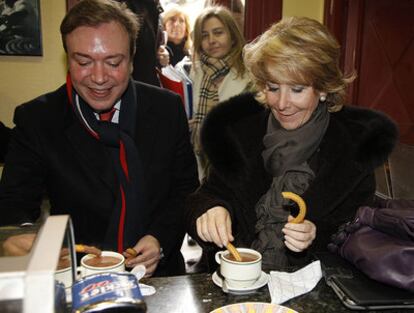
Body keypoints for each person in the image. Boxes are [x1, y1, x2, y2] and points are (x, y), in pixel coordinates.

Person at [0, 0, 198, 277]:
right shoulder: (37, 119)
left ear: (131, 60)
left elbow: (185, 190)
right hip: (75, 274)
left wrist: (160, 240)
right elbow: (13, 204)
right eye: (83, 61)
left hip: (161, 278)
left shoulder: (167, 109)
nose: (99, 77)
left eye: (113, 62)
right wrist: (26, 239)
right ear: (67, 57)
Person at [185, 16, 398, 271]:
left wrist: (316, 236)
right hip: (238, 285)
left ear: (323, 88)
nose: (282, 103)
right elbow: (204, 196)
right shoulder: (240, 133)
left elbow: (359, 231)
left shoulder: (353, 149)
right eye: (273, 87)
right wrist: (210, 210)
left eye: (297, 89)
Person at [189, 6, 250, 178]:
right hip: (199, 165)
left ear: (232, 36)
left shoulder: (250, 74)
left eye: (218, 32)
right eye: (205, 35)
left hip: (237, 161)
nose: (211, 40)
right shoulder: (194, 73)